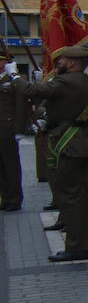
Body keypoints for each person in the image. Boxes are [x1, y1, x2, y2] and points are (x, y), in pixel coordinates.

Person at [28, 43, 88, 262]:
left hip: (70, 144)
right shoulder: (79, 80)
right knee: (78, 196)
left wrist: (14, 77)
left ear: (72, 63)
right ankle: (79, 243)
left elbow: (32, 92)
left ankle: (77, 246)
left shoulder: (68, 80)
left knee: (72, 197)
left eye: (61, 60)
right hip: (78, 142)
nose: (57, 63)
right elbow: (58, 106)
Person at [0, 50, 29, 211]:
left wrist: (19, 129)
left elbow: (21, 105)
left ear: (6, 62)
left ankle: (15, 198)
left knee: (10, 165)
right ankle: (4, 197)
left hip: (8, 128)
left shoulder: (15, 80)